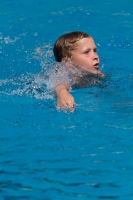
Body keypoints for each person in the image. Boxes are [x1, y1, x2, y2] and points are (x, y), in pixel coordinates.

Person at [53, 31, 104, 112]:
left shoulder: (97, 74)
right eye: (86, 52)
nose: (96, 56)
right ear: (67, 61)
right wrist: (62, 93)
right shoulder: (63, 71)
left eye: (94, 50)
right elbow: (59, 82)